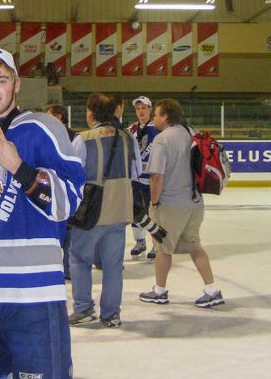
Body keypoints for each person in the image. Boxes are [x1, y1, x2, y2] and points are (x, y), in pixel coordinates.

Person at [0, 47, 85, 379]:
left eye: (1, 80)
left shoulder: (42, 128)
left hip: (32, 295)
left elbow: (68, 202)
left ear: (16, 84)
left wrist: (20, 169)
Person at [139, 98, 225, 308]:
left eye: (156, 114)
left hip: (171, 204)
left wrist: (155, 202)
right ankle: (212, 290)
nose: (154, 118)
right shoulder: (191, 132)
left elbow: (156, 176)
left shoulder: (162, 139)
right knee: (195, 247)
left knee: (163, 248)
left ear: (165, 117)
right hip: (195, 202)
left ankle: (159, 291)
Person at [68, 93, 139, 328]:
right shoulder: (128, 138)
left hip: (91, 211)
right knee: (113, 265)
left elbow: (73, 174)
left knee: (79, 259)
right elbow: (136, 172)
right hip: (120, 210)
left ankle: (83, 308)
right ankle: (111, 313)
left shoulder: (83, 139)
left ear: (91, 113)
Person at [46, 103, 77, 279]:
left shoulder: (72, 137)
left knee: (66, 231)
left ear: (59, 117)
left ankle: (65, 267)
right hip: (53, 189)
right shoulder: (47, 135)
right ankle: (60, 267)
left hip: (64, 189)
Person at [127, 96, 160, 259]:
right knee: (135, 211)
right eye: (138, 108)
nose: (141, 111)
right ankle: (139, 241)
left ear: (150, 110)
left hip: (152, 179)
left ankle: (156, 245)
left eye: (144, 108)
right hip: (134, 179)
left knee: (152, 212)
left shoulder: (158, 129)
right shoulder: (131, 130)